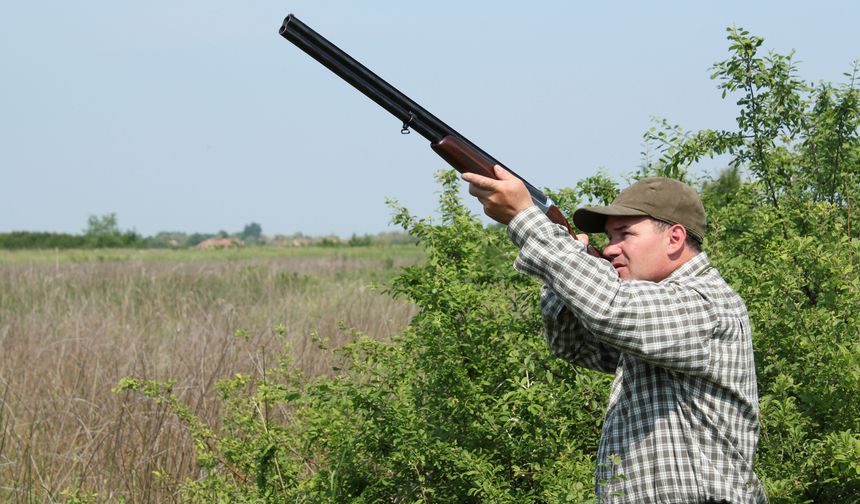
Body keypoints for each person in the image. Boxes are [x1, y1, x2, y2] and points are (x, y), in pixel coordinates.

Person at [462, 167, 767, 503]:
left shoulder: (705, 303)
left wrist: (527, 220)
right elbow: (573, 345)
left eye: (625, 234)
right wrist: (564, 270)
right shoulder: (658, 308)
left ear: (675, 238)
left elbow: (610, 308)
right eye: (609, 238)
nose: (609, 249)